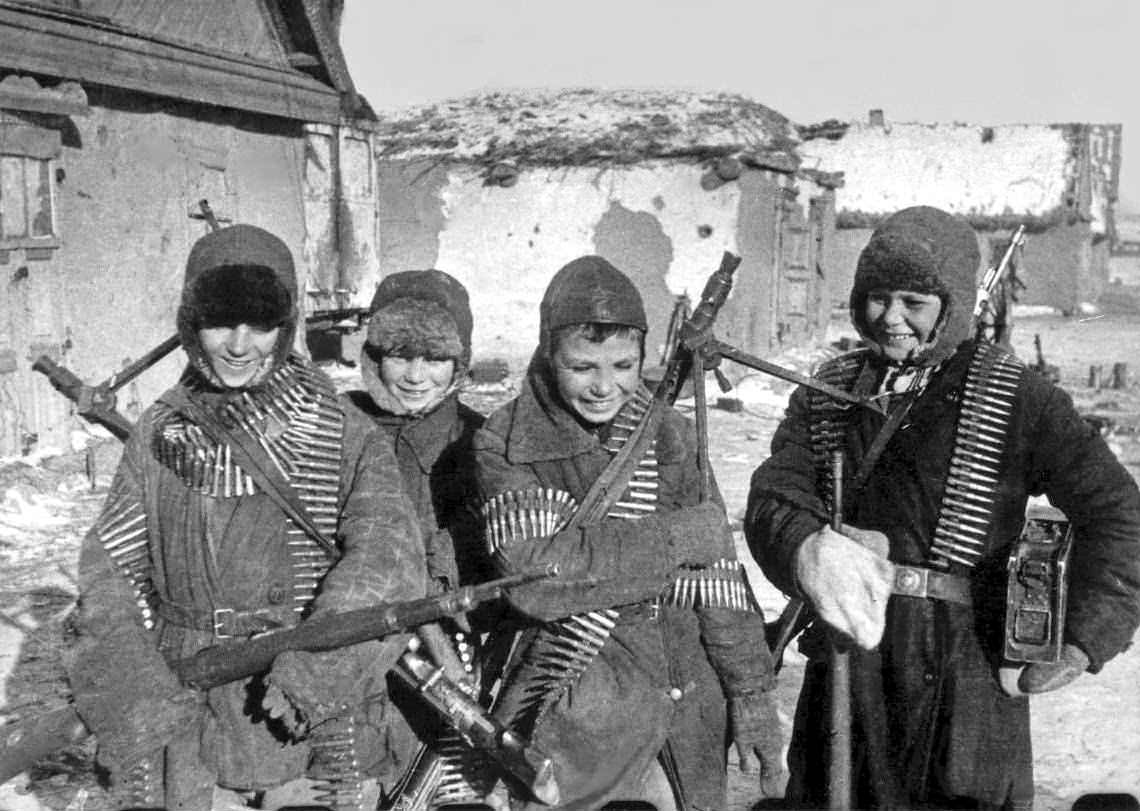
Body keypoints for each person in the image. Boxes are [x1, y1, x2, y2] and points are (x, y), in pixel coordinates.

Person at [744, 205, 1140, 810]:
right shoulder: (831, 392)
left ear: (951, 305)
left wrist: (1084, 639)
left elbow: (1118, 514)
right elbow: (776, 494)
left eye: (914, 301)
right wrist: (807, 547)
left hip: (967, 671)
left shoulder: (1014, 395)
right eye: (877, 297)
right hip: (849, 661)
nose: (892, 318)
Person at [66, 225, 427, 811]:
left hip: (305, 711)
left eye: (259, 325)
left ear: (285, 329)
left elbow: (387, 559)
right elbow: (109, 574)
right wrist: (133, 690)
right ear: (190, 326)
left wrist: (318, 667)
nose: (238, 345)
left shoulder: (339, 432)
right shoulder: (160, 434)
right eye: (218, 323)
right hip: (187, 704)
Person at [472, 255, 783, 811]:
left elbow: (718, 578)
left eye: (623, 365)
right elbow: (538, 579)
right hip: (579, 707)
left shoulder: (668, 431)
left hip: (687, 703)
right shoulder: (506, 439)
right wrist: (677, 538)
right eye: (582, 366)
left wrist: (752, 692)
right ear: (548, 354)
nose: (603, 387)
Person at [341, 269, 491, 800]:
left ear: (459, 363)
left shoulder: (480, 442)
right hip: (352, 636)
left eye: (433, 358)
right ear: (374, 357)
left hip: (447, 644)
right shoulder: (337, 426)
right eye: (400, 354)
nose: (414, 375)